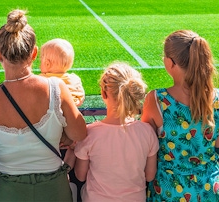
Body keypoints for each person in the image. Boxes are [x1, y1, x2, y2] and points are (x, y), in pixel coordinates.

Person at [0, 9, 87, 201]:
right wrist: (63, 134)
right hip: (51, 190)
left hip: (3, 191)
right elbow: (79, 133)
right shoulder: (56, 88)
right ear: (34, 53)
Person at [141, 30, 219, 202]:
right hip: (209, 189)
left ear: (170, 62)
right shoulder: (218, 98)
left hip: (170, 191)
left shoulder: (156, 100)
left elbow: (144, 144)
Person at [68, 62, 158, 202]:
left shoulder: (89, 133)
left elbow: (80, 175)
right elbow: (150, 175)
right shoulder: (147, 132)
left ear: (103, 93)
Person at [39, 38, 85, 107]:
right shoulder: (75, 79)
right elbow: (80, 98)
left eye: (40, 60)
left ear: (47, 64)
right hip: (70, 114)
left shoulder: (41, 79)